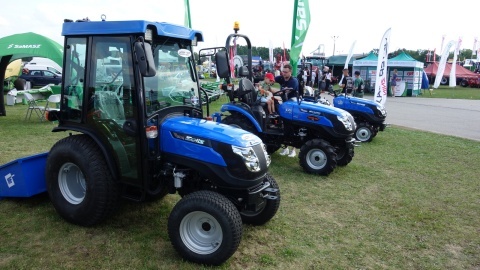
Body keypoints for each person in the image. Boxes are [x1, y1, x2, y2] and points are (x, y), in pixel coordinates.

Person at [274, 64, 299, 157]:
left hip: (293, 105)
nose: (284, 74)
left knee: (292, 126)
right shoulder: (281, 78)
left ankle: (293, 149)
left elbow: (286, 91)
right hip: (284, 105)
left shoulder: (294, 81)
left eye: (286, 72)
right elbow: (272, 79)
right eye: (283, 72)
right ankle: (286, 148)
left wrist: (279, 91)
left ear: (290, 72)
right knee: (284, 126)